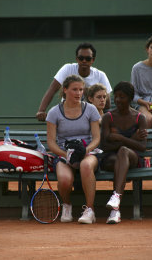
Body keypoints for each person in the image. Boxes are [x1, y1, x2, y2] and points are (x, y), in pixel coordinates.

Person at [46, 75, 101, 224]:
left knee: (85, 165)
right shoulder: (53, 112)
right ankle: (67, 205)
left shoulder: (91, 109)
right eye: (74, 89)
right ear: (65, 90)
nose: (78, 93)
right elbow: (51, 142)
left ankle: (90, 210)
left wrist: (85, 150)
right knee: (64, 180)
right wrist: (67, 154)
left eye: (81, 90)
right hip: (64, 154)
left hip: (88, 153)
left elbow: (96, 138)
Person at [100, 82, 147, 224]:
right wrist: (131, 139)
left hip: (132, 159)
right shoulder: (108, 117)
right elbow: (105, 146)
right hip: (110, 159)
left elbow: (142, 147)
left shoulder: (140, 118)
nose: (118, 100)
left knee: (123, 151)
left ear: (131, 98)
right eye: (116, 96)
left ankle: (115, 200)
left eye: (122, 97)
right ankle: (115, 208)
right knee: (121, 154)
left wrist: (119, 138)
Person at [36, 42, 112, 121]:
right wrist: (41, 111)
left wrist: (89, 93)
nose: (84, 61)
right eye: (81, 58)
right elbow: (52, 89)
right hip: (67, 114)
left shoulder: (100, 75)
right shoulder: (67, 68)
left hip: (90, 117)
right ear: (76, 59)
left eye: (88, 59)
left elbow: (107, 103)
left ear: (93, 60)